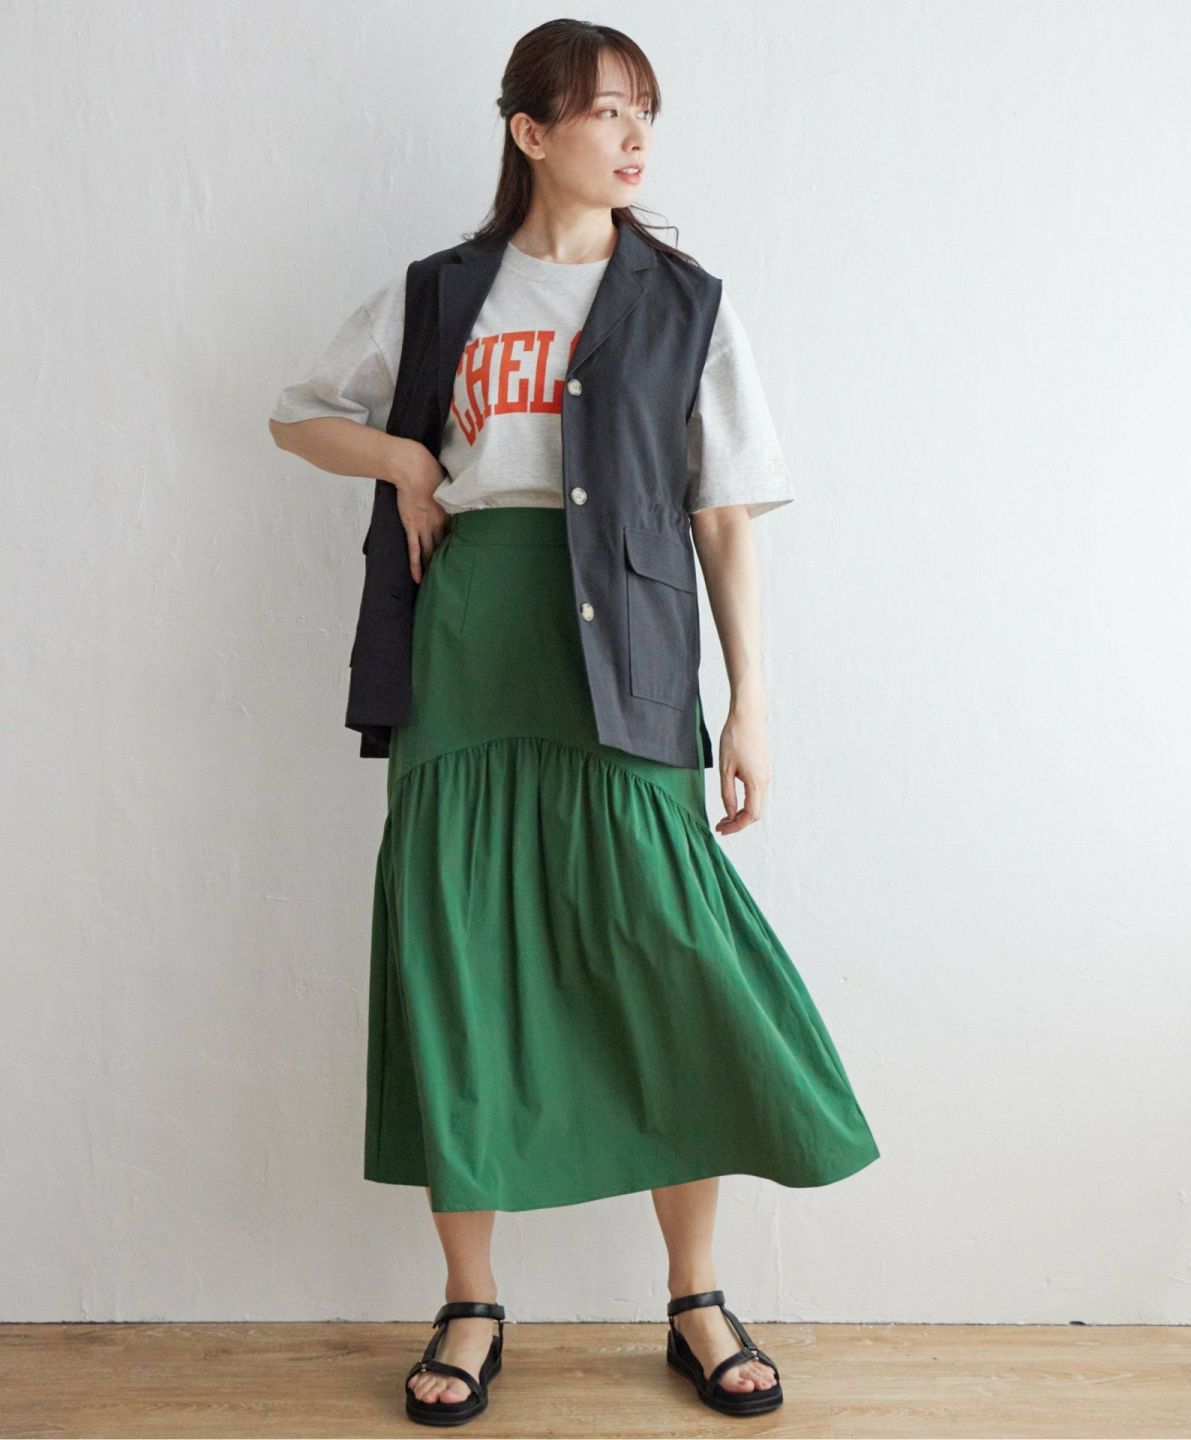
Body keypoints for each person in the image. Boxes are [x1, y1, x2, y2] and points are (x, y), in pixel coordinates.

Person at [269, 19, 880, 1427]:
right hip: (471, 640)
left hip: (633, 654)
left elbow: (723, 516)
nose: (634, 135)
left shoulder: (686, 305)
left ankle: (695, 1294)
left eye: (645, 110)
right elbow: (299, 417)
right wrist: (404, 457)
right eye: (606, 111)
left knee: (673, 958)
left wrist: (751, 705)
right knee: (460, 955)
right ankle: (471, 1302)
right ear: (530, 132)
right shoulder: (441, 293)